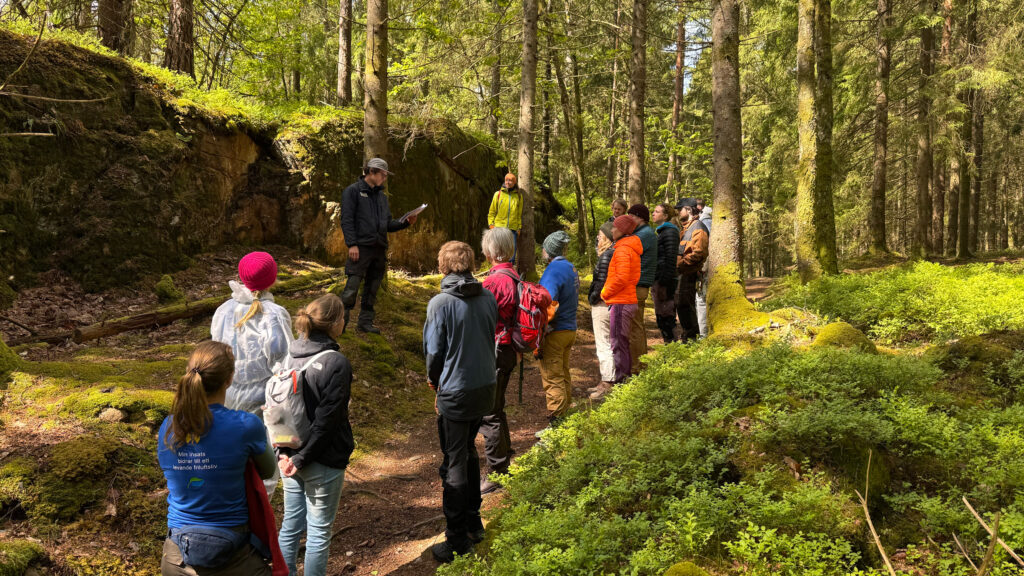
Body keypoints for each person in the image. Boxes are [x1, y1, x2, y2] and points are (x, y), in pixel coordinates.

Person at [158, 341, 277, 576]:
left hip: (177, 555)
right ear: (229, 379)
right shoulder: (246, 425)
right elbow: (268, 471)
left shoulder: (168, 426)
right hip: (234, 553)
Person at [423, 241, 498, 563]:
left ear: (443, 265)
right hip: (484, 387)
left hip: (456, 390)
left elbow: (433, 352)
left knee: (454, 460)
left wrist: (434, 381)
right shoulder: (488, 296)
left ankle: (456, 539)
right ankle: (473, 523)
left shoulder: (440, 303)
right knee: (467, 451)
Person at [276, 294, 353, 576]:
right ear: (334, 323)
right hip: (322, 459)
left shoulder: (289, 355)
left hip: (289, 453)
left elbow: (277, 410)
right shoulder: (336, 363)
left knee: (290, 527)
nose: (345, 322)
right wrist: (304, 458)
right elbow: (327, 422)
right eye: (343, 317)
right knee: (319, 533)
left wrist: (284, 455)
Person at [211, 251, 292, 495]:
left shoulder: (223, 310)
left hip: (227, 395)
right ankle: (258, 513)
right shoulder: (275, 314)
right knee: (263, 459)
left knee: (233, 452)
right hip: (266, 400)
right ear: (273, 279)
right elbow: (284, 363)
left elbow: (216, 348)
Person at [340, 157, 419, 334]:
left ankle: (365, 323)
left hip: (379, 249)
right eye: (382, 175)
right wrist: (352, 244)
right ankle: (340, 324)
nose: (384, 178)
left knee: (372, 289)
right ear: (371, 172)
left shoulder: (382, 197)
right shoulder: (352, 192)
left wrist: (406, 222)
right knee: (351, 288)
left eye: (385, 176)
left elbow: (387, 224)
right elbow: (346, 220)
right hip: (360, 249)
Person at [478, 227, 519, 495]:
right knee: (498, 407)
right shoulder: (513, 275)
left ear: (491, 251)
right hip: (507, 350)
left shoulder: (493, 281)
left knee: (488, 413)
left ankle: (497, 471)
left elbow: (481, 318)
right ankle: (504, 457)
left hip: (495, 348)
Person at [593, 215, 642, 398]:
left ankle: (622, 383)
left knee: (618, 343)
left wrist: (604, 293)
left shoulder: (623, 250)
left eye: (614, 228)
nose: (611, 230)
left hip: (621, 301)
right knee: (619, 342)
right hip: (623, 300)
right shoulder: (626, 248)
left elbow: (621, 278)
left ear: (622, 231)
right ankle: (622, 381)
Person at [537, 231, 580, 432]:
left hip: (555, 331)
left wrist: (539, 329)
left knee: (552, 376)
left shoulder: (553, 270)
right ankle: (565, 415)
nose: (543, 251)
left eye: (544, 248)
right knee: (562, 373)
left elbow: (545, 301)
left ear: (550, 250)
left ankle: (557, 425)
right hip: (569, 329)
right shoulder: (570, 267)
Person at [586, 222, 617, 397]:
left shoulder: (607, 255)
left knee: (604, 344)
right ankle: (606, 380)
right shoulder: (612, 253)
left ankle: (607, 383)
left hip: (603, 304)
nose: (597, 238)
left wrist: (593, 297)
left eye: (600, 235)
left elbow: (601, 282)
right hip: (609, 303)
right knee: (609, 342)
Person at [627, 204, 657, 373]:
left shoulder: (643, 235)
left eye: (631, 216)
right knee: (635, 326)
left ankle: (638, 367)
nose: (628, 219)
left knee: (634, 328)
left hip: (637, 285)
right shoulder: (643, 234)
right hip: (639, 284)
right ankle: (638, 365)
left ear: (639, 217)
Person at [675, 198, 709, 342]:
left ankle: (691, 339)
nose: (678, 212)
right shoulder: (686, 228)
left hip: (689, 273)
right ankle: (688, 336)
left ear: (688, 210)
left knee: (685, 305)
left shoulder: (698, 228)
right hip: (683, 273)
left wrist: (681, 264)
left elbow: (699, 253)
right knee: (682, 305)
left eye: (680, 209)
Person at [652, 203, 680, 343]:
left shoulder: (670, 232)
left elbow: (670, 258)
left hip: (665, 281)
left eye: (657, 211)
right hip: (661, 279)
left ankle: (673, 350)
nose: (653, 213)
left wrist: (664, 282)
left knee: (666, 317)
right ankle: (670, 347)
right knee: (662, 317)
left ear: (665, 216)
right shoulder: (663, 231)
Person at [487, 174, 523, 263]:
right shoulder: (498, 194)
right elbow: (492, 211)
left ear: (514, 183)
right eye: (506, 180)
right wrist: (491, 224)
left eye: (510, 180)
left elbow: (519, 214)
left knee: (511, 255)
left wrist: (519, 227)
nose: (508, 182)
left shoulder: (518, 196)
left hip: (512, 229)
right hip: (499, 228)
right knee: (498, 253)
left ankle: (509, 274)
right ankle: (497, 273)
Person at [696, 204, 713, 337]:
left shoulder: (704, 223)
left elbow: (707, 247)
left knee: (702, 300)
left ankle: (703, 335)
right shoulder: (706, 222)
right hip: (705, 267)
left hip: (705, 269)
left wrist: (703, 267)